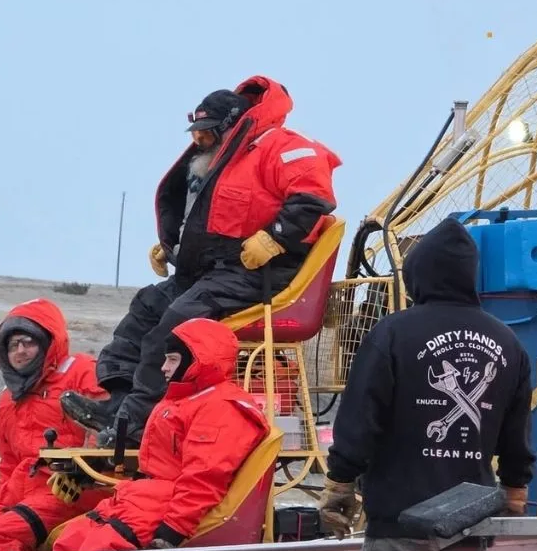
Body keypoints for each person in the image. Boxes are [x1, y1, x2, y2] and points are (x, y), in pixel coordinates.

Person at [60, 76, 341, 447]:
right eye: (196, 134)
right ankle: (118, 403)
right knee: (146, 307)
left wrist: (273, 239)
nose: (198, 141)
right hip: (213, 271)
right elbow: (208, 218)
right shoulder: (223, 162)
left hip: (263, 273)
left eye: (205, 134)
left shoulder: (285, 146)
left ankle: (137, 422)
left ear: (230, 127)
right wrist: (173, 247)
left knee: (179, 322)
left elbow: (313, 199)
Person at [317, 218, 537, 551]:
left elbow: (361, 417)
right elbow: (517, 431)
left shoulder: (394, 333)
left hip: (401, 515)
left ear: (418, 274)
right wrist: (514, 489)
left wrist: (340, 482)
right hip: (466, 514)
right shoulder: (508, 343)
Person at [51, 318, 269, 551]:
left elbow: (204, 477)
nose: (164, 367)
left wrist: (173, 530)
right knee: (70, 539)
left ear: (200, 361)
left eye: (173, 359)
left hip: (166, 506)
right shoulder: (186, 400)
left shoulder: (221, 408)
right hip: (145, 496)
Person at [0, 298, 110, 551]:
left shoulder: (83, 373)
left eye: (29, 342)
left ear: (49, 343)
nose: (20, 350)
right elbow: (8, 462)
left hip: (68, 492)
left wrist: (82, 478)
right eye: (13, 344)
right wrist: (3, 498)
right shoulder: (8, 399)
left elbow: (104, 436)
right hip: (18, 494)